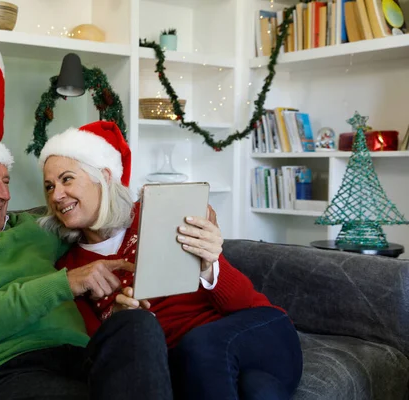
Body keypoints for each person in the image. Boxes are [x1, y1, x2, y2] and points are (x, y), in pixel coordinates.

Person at [0, 129, 174, 400]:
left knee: (136, 325)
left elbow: (94, 209)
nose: (5, 195)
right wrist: (64, 283)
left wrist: (181, 215)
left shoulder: (36, 228)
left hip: (79, 358)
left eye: (6, 181)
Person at [37, 121, 304, 400]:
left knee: (201, 346)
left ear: (103, 176)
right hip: (190, 367)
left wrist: (209, 264)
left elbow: (243, 303)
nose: (56, 195)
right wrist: (118, 324)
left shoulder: (156, 212)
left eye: (67, 179)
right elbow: (96, 354)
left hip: (257, 335)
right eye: (49, 186)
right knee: (257, 390)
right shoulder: (73, 268)